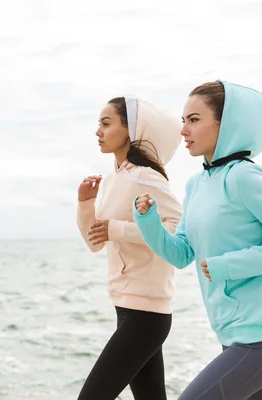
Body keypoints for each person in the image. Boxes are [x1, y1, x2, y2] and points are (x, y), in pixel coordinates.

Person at [133, 80, 262, 400]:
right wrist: (148, 222)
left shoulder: (245, 177)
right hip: (232, 336)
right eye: (183, 120)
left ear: (224, 124)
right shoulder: (196, 185)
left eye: (194, 119)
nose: (184, 130)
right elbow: (181, 253)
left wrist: (227, 266)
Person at [76, 96, 184, 400]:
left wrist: (118, 229)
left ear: (131, 129)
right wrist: (85, 203)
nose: (98, 131)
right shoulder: (112, 181)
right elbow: (94, 241)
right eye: (98, 123)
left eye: (106, 123)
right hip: (126, 307)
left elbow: (178, 229)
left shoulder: (146, 177)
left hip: (147, 314)